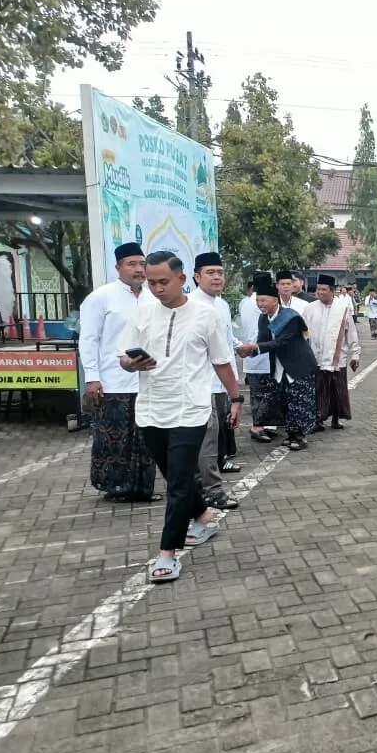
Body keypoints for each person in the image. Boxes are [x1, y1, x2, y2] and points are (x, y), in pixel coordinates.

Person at [118, 251, 242, 583]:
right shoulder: (142, 314)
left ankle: (167, 554)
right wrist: (132, 363)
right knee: (178, 477)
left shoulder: (205, 315)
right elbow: (124, 357)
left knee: (176, 483)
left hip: (191, 410)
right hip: (151, 411)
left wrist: (235, 398)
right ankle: (203, 516)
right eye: (151, 282)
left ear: (182, 279)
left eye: (163, 282)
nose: (156, 288)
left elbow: (221, 361)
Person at [79, 241, 158, 503]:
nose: (138, 270)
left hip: (147, 381)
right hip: (113, 382)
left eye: (142, 264)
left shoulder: (152, 297)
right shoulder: (101, 298)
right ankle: (116, 489)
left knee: (145, 439)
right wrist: (92, 378)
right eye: (132, 264)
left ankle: (142, 488)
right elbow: (88, 339)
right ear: (118, 267)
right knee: (115, 439)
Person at [237, 275, 317, 451]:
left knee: (299, 402)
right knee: (285, 402)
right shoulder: (263, 318)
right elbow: (262, 341)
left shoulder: (291, 317)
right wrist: (248, 352)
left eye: (263, 300)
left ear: (275, 300)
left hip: (298, 366)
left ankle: (301, 437)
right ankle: (291, 434)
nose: (260, 304)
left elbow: (280, 343)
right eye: (257, 300)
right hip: (279, 367)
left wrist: (254, 347)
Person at [191, 252, 242, 511]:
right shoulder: (191, 306)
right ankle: (212, 491)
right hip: (202, 384)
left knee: (217, 437)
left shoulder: (221, 305)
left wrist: (241, 347)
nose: (217, 277)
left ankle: (203, 485)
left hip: (223, 381)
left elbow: (226, 340)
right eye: (210, 272)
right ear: (196, 277)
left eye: (220, 272)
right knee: (208, 439)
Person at [305, 275, 361, 431]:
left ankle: (336, 418)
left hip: (338, 358)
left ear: (332, 291)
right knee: (319, 389)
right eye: (318, 289)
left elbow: (351, 333)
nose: (320, 293)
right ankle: (318, 419)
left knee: (337, 390)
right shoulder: (310, 309)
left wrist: (355, 354)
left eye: (324, 290)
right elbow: (304, 332)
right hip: (316, 356)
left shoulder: (343, 308)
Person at [239, 272, 283, 444]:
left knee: (262, 394)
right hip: (259, 352)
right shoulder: (260, 303)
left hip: (256, 353)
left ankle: (263, 425)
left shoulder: (246, 302)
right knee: (261, 395)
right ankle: (257, 427)